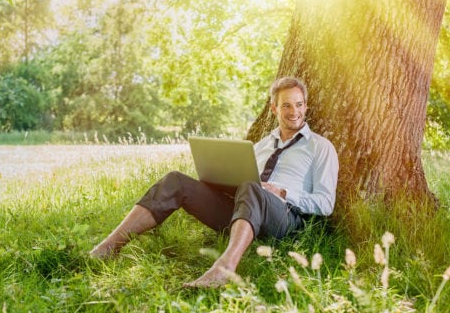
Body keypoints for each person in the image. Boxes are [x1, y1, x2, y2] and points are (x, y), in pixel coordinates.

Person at [90, 76, 339, 288]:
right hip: (243, 210)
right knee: (176, 180)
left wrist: (282, 192)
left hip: (284, 219)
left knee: (252, 186)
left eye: (298, 105)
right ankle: (108, 247)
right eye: (286, 106)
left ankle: (224, 269)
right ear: (274, 109)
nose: (294, 112)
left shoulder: (320, 147)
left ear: (306, 107)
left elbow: (326, 203)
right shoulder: (262, 145)